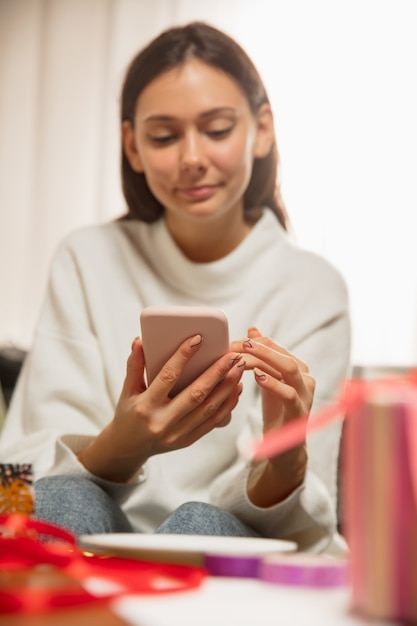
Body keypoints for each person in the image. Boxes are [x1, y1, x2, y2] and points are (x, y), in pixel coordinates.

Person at [0, 22, 350, 552]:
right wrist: (124, 443)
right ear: (132, 147)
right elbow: (18, 482)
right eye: (164, 136)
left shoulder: (311, 287)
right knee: (56, 502)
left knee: (199, 526)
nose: (191, 157)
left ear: (262, 130)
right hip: (91, 531)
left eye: (216, 129)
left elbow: (302, 518)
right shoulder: (87, 258)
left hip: (229, 537)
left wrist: (286, 457)